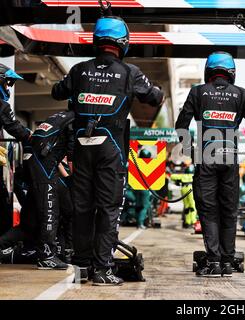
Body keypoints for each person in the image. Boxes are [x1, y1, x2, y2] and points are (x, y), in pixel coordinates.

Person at [52, 14, 164, 285]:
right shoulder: (130, 72)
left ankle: (81, 269)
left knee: (83, 210)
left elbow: (58, 91)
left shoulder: (79, 70)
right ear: (123, 42)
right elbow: (155, 97)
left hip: (81, 148)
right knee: (107, 209)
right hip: (110, 150)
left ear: (96, 40)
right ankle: (102, 269)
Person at [175, 51, 245, 277]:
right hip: (230, 158)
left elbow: (181, 126)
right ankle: (227, 262)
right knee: (229, 211)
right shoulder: (242, 95)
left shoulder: (198, 92)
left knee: (208, 211)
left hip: (206, 157)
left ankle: (213, 262)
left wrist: (190, 151)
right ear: (231, 72)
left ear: (209, 70)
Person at [21, 110, 74, 269]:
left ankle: (33, 250)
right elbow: (73, 156)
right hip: (45, 165)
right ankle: (46, 256)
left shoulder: (60, 116)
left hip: (36, 162)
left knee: (36, 213)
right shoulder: (75, 121)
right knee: (50, 210)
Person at [0, 64, 31, 233]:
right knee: (3, 198)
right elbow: (14, 127)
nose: (7, 88)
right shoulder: (2, 106)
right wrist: (32, 136)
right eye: (6, 83)